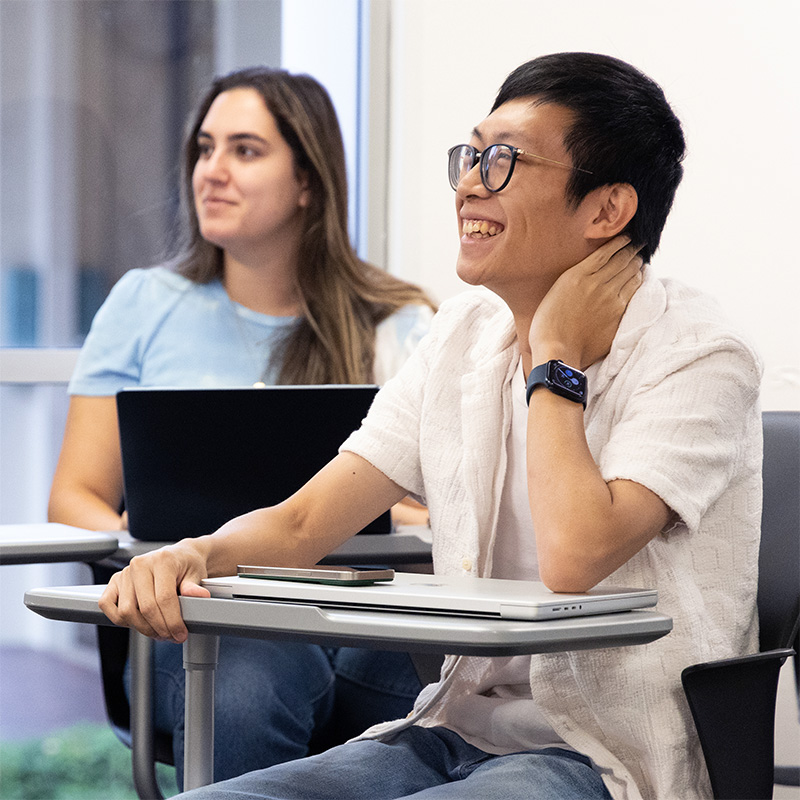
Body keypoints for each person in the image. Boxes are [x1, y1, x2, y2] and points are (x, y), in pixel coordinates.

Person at [99, 52, 763, 800]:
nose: (472, 182)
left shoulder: (702, 357)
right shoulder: (461, 337)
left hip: (608, 758)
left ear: (606, 211)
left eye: (505, 161)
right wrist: (194, 554)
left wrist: (555, 357)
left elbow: (574, 557)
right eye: (472, 155)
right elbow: (305, 521)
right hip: (451, 732)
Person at [49, 67, 437, 785]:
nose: (211, 171)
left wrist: (382, 508)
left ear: (308, 182)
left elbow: (449, 508)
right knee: (252, 671)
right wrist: (150, 562)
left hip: (361, 621)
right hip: (197, 622)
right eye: (204, 148)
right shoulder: (144, 304)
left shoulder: (400, 326)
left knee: (447, 701)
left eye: (245, 150)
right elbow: (75, 496)